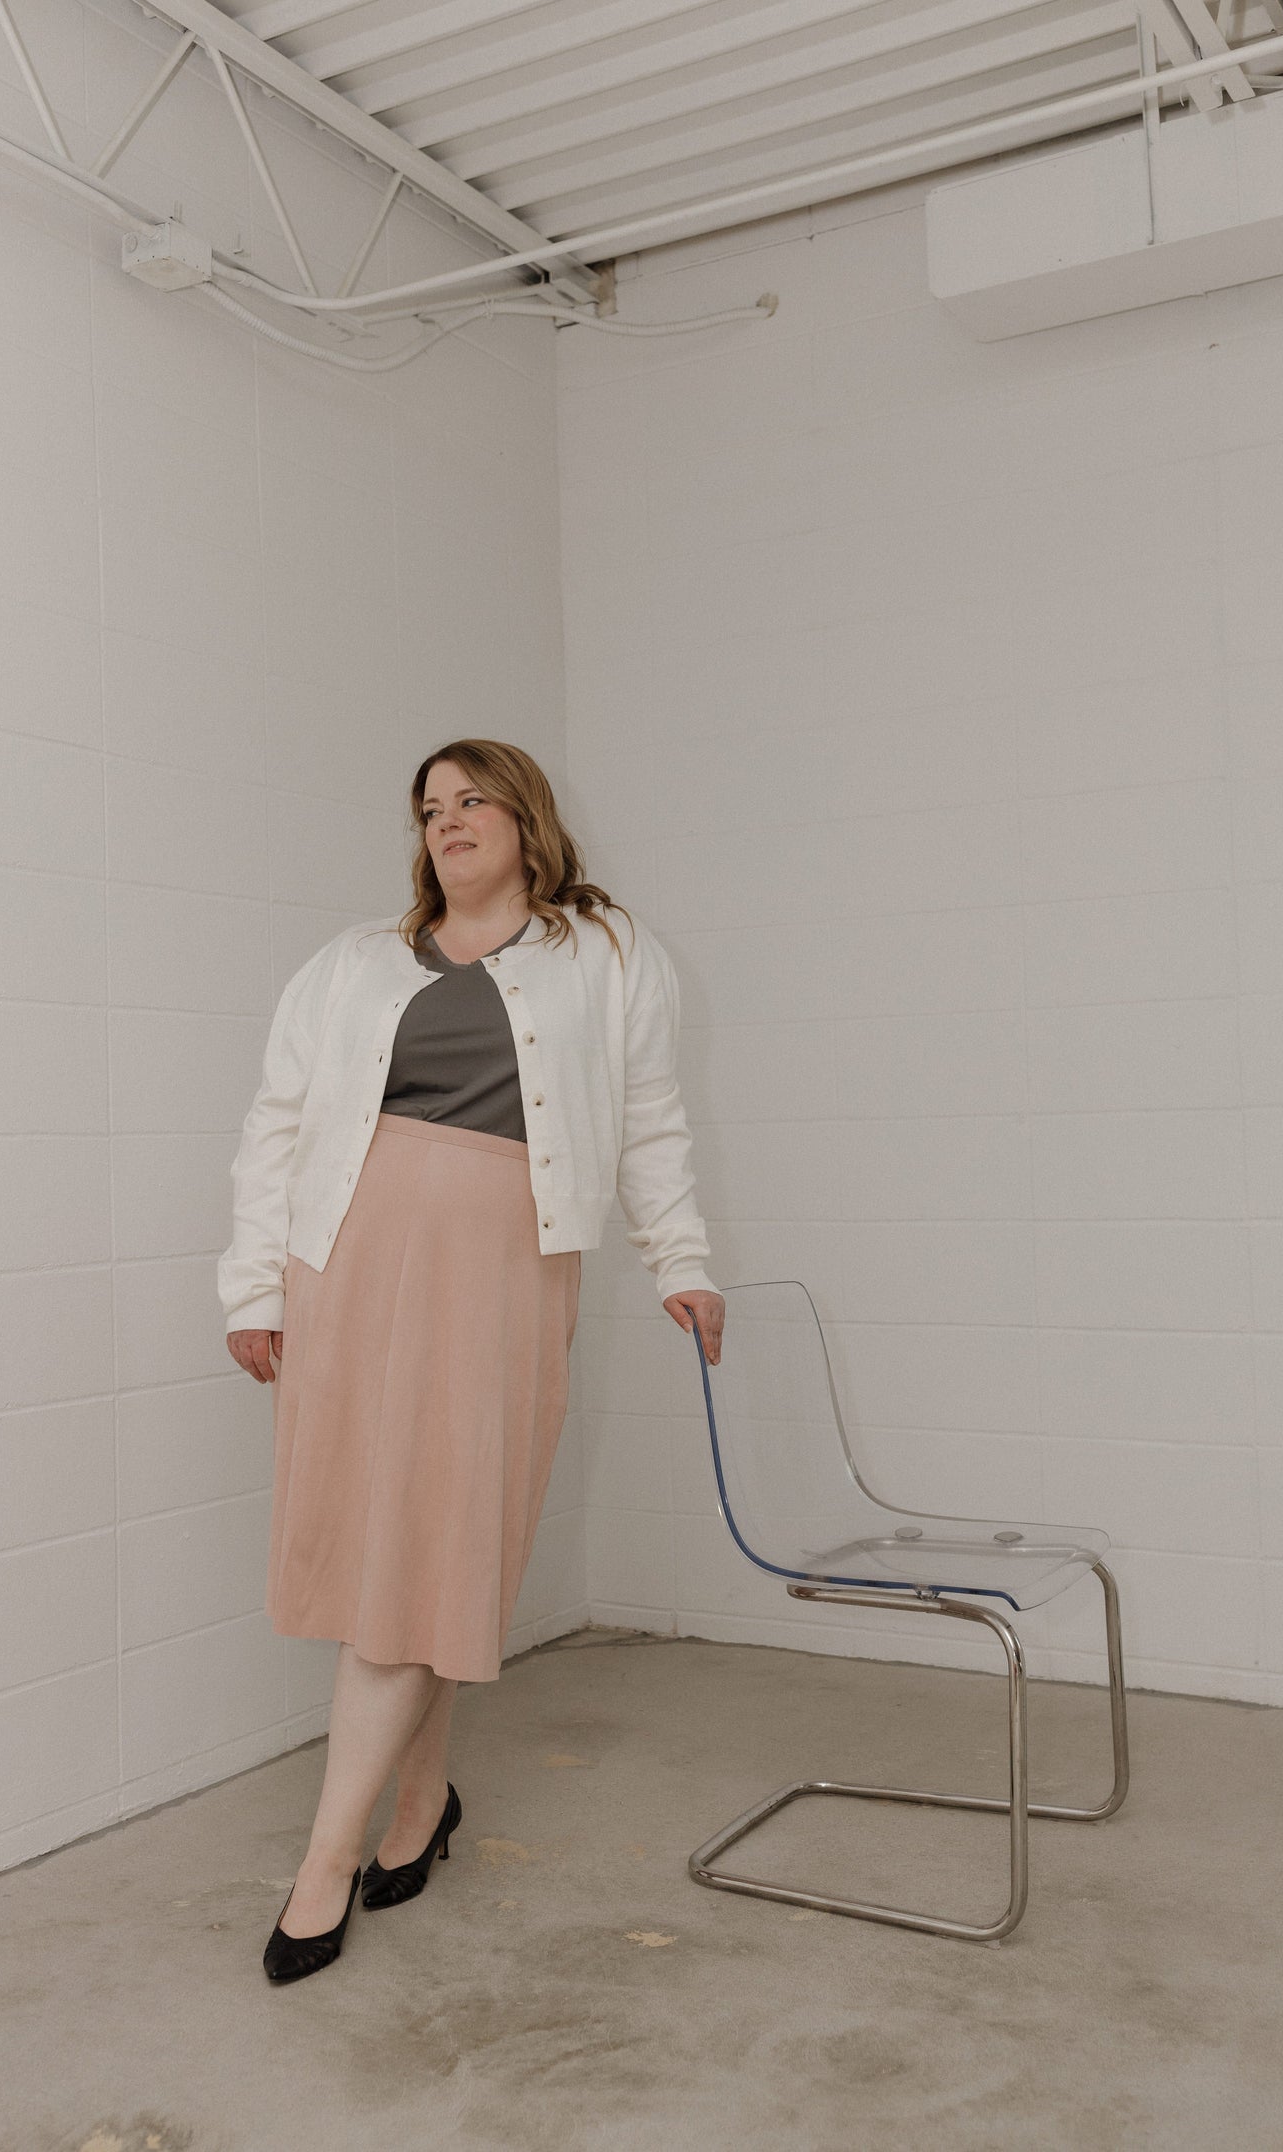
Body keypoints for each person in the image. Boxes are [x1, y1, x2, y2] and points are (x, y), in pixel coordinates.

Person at [218, 738, 726, 1984]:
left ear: (523, 815)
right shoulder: (351, 961)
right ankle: (417, 1798)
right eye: (429, 807)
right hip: (346, 1266)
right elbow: (276, 1124)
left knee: (438, 1536)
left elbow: (649, 1117)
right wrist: (251, 1284)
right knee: (391, 1550)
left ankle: (322, 1863)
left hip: (501, 1272)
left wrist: (681, 1259)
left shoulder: (606, 952)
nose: (447, 820)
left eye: (471, 799)